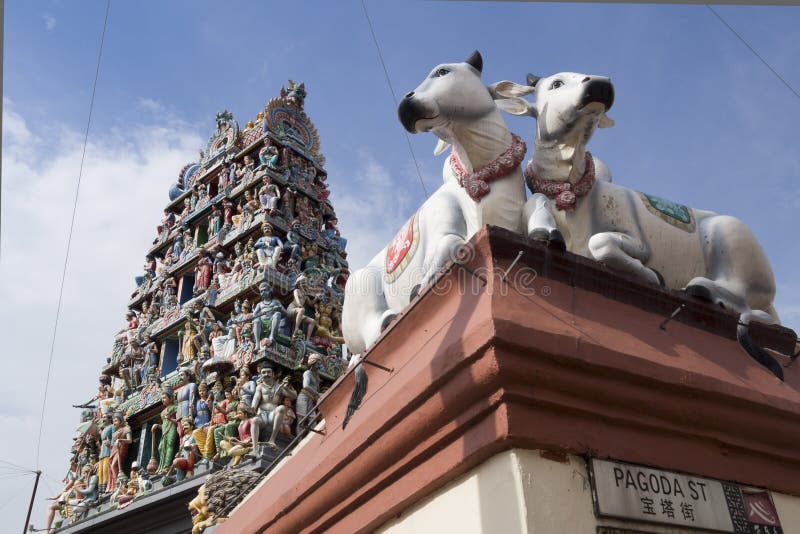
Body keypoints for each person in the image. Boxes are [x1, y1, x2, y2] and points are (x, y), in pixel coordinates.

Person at [249, 363, 297, 456]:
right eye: (263, 372)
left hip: (273, 415)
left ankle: (272, 439)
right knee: (254, 420)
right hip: (262, 415)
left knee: (281, 408)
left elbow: (294, 396)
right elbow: (255, 400)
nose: (266, 374)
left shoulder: (279, 386)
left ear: (273, 373)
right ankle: (254, 450)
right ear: (261, 375)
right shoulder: (260, 387)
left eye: (268, 372)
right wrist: (252, 409)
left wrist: (286, 388)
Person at [153, 387, 179, 473]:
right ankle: (163, 465)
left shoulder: (175, 408)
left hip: (172, 429)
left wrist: (170, 419)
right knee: (161, 447)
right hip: (164, 432)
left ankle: (167, 466)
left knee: (170, 445)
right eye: (162, 398)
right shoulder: (162, 412)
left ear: (171, 398)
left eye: (164, 398)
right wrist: (157, 426)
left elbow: (179, 421)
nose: (163, 400)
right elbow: (164, 425)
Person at [295, 353, 321, 431]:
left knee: (313, 420)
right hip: (303, 397)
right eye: (318, 363)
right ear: (313, 363)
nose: (319, 365)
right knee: (301, 420)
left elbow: (317, 389)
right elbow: (305, 386)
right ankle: (299, 441)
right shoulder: (307, 373)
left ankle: (313, 439)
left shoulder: (316, 376)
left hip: (311, 399)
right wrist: (316, 393)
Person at [107, 413, 132, 492]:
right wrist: (109, 446)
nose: (114, 423)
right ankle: (115, 484)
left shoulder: (126, 429)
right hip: (115, 450)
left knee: (114, 465)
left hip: (122, 448)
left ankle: (118, 483)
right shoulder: (115, 433)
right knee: (112, 465)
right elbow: (114, 445)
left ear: (121, 421)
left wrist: (120, 440)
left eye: (116, 421)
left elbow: (130, 440)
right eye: (113, 421)